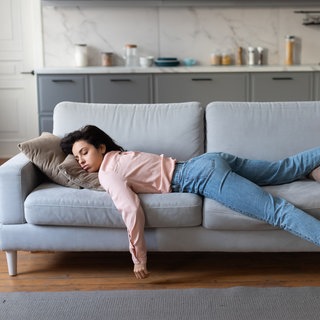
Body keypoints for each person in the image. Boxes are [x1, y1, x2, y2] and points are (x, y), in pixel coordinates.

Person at [61, 124, 320, 280]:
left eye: (84, 152)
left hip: (202, 175)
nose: (81, 161)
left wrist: (138, 257)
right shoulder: (120, 155)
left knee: (277, 212)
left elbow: (130, 209)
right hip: (208, 160)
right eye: (76, 157)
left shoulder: (108, 173)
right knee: (284, 168)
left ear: (101, 148)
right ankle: (311, 170)